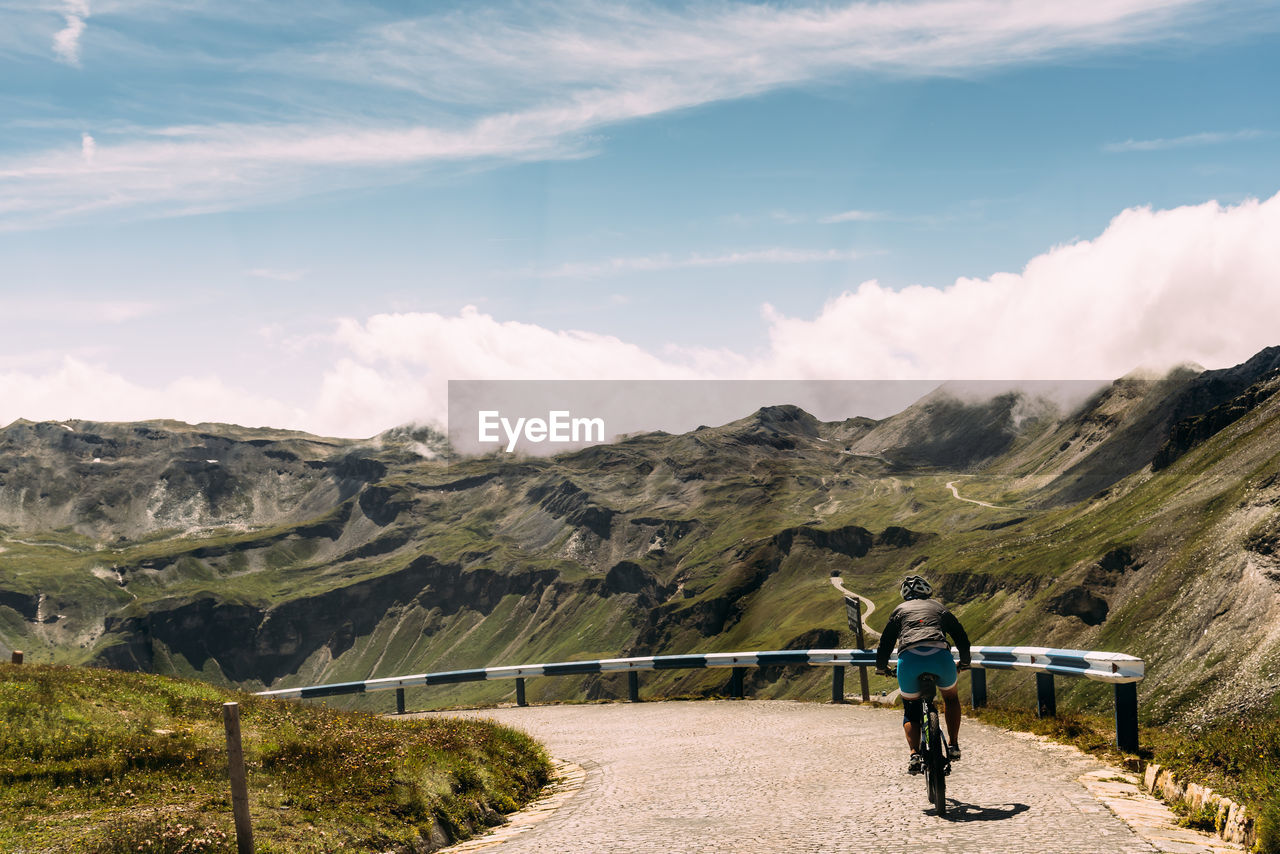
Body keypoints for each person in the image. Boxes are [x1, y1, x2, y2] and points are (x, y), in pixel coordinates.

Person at [874, 574, 971, 775]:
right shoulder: (939, 608)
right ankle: (953, 745)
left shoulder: (899, 611)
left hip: (909, 661)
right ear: (927, 592)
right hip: (940, 658)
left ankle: (914, 754)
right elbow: (961, 636)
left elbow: (885, 644)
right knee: (951, 699)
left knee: (910, 709)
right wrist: (964, 662)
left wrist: (882, 667)